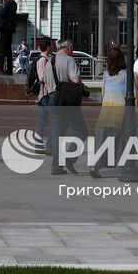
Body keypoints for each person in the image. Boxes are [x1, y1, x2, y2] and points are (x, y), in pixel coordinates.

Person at [46, 39, 88, 175]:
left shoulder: (49, 62)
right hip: (67, 101)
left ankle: (56, 167)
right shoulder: (69, 60)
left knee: (58, 134)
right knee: (81, 131)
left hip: (53, 99)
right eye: (72, 48)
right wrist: (82, 87)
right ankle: (70, 157)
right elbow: (75, 80)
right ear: (68, 48)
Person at [93, 45, 129, 177]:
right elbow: (131, 94)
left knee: (102, 139)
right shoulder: (125, 75)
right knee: (122, 139)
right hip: (121, 110)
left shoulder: (106, 75)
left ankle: (96, 166)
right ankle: (124, 166)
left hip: (106, 109)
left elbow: (103, 92)